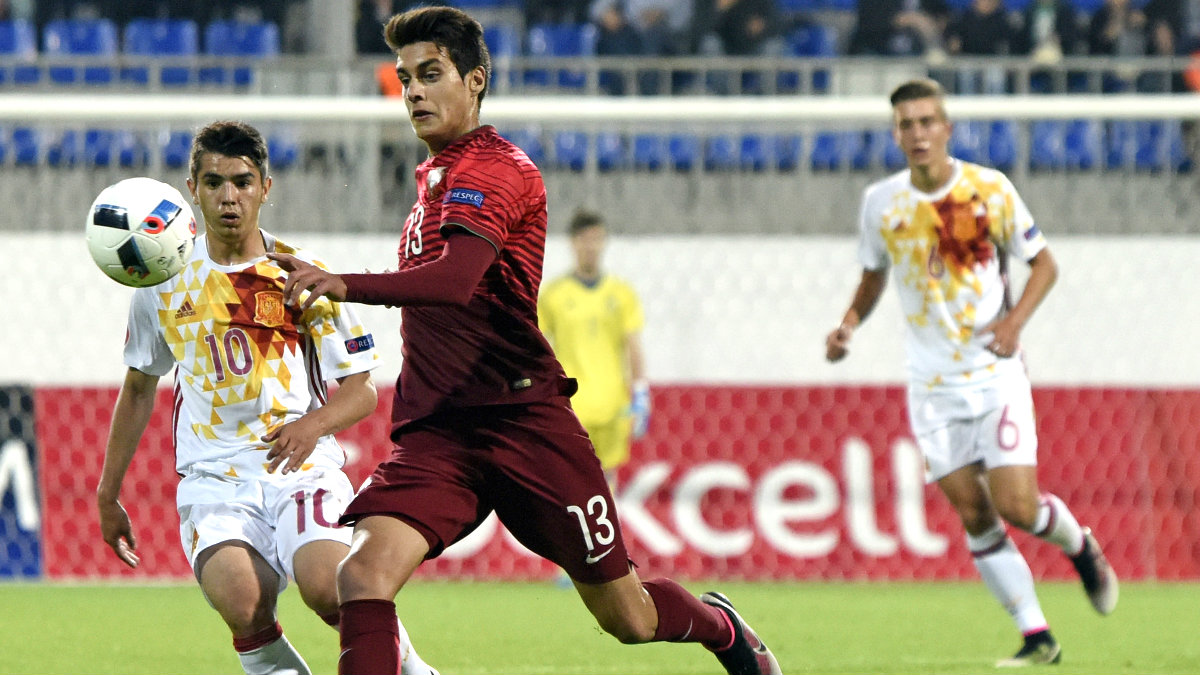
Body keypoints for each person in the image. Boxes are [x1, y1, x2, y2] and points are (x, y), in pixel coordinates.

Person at [266, 7, 781, 675]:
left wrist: (342, 282)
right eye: (404, 78)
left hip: (525, 423)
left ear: (475, 81)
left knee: (627, 616)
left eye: (430, 74)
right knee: (361, 577)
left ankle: (720, 627)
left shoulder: (496, 168)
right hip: (442, 432)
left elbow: (453, 282)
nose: (413, 91)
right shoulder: (432, 178)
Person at [95, 120, 436, 675]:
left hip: (298, 468)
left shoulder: (301, 274)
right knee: (243, 603)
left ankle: (416, 670)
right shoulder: (161, 279)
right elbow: (138, 388)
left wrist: (312, 426)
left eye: (242, 182)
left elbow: (361, 392)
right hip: (213, 477)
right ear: (192, 189)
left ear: (265, 188)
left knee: (331, 590)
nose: (229, 197)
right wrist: (108, 494)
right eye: (213, 183)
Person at [824, 78, 1119, 668]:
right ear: (896, 133)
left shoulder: (989, 189)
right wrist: (849, 323)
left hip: (993, 375)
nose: (917, 133)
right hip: (930, 386)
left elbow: (1044, 265)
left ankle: (1080, 546)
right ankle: (1037, 636)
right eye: (906, 124)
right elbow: (875, 273)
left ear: (947, 129)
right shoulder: (881, 203)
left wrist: (1013, 325)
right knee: (975, 513)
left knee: (1017, 505)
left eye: (927, 121)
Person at [538, 208, 650, 482]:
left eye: (597, 239)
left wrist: (641, 394)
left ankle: (604, 526)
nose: (592, 247)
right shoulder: (553, 295)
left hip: (612, 406)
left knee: (606, 479)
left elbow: (633, 345)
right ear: (573, 243)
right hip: (571, 408)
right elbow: (538, 347)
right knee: (568, 480)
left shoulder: (621, 293)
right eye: (585, 239)